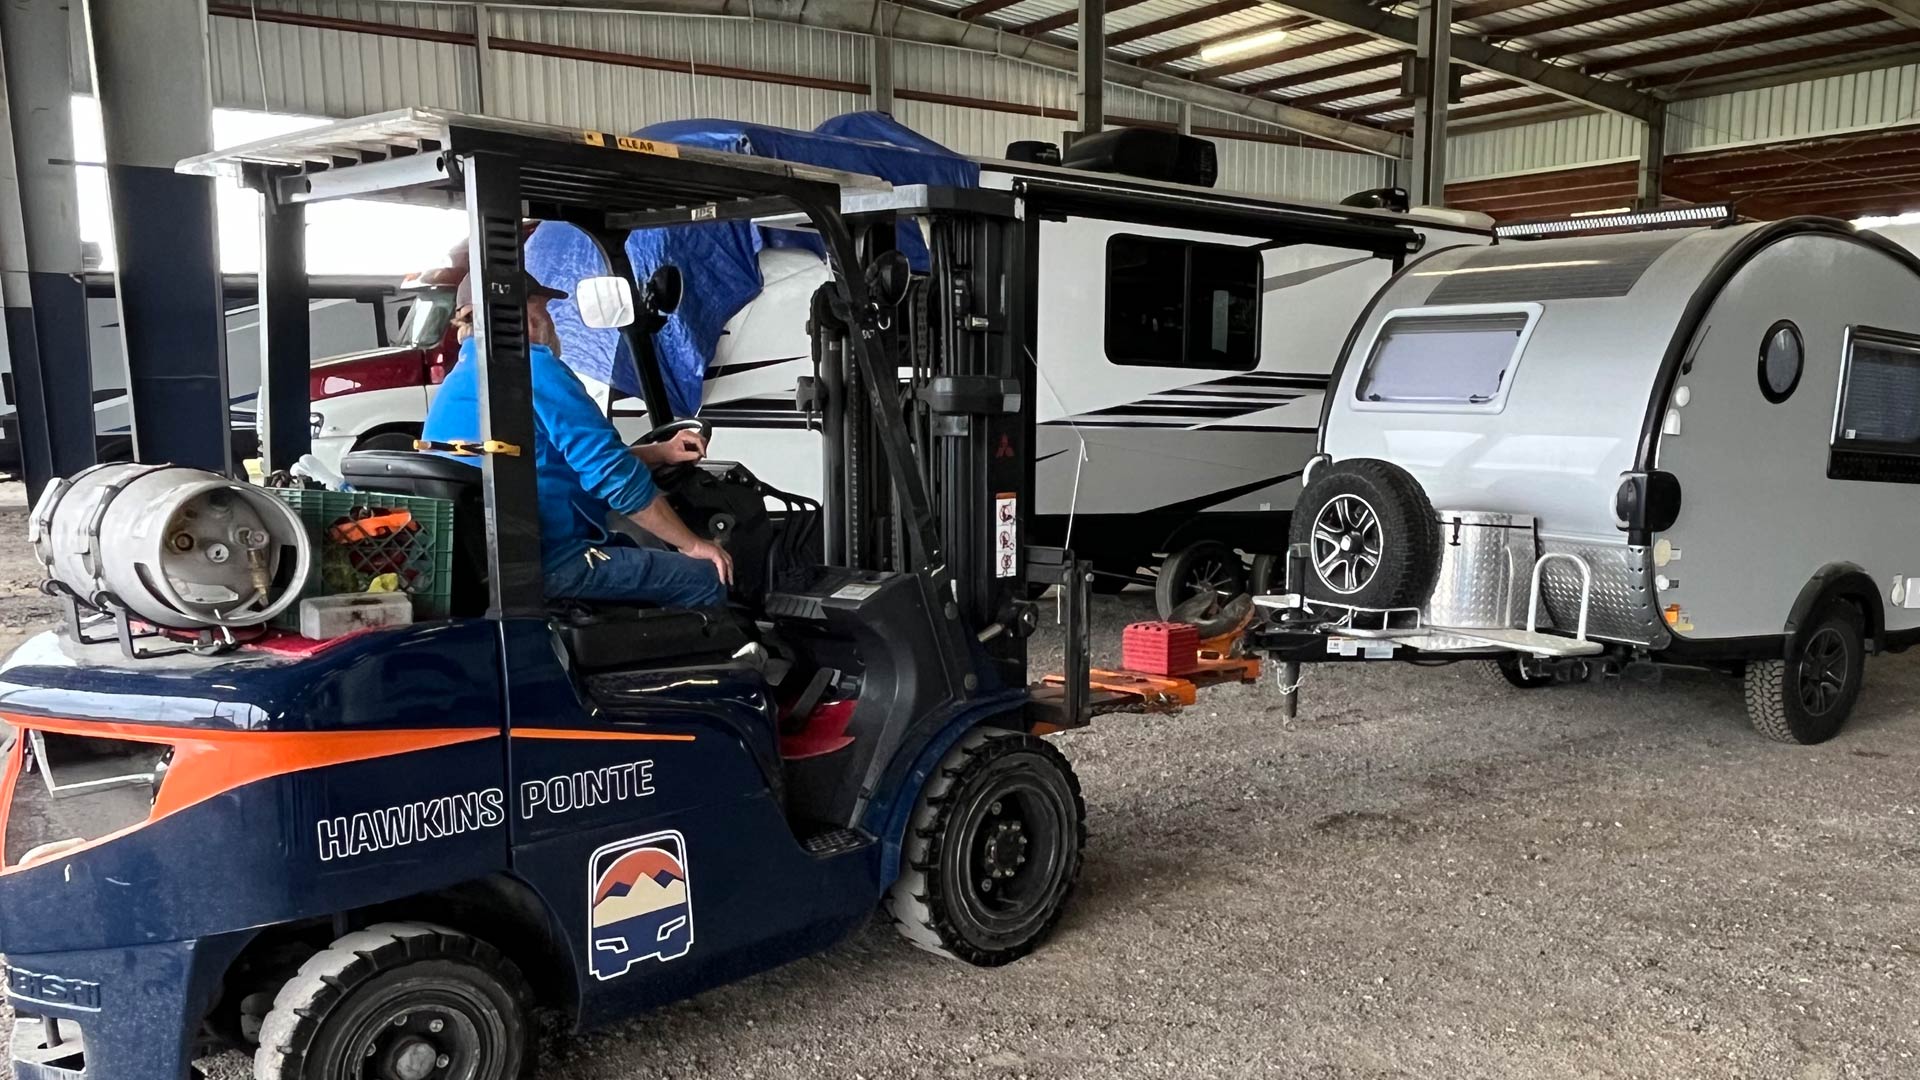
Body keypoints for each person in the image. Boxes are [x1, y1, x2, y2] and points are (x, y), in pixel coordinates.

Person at [422, 268, 732, 608]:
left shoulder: (463, 377)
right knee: (705, 576)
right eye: (544, 308)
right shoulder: (531, 368)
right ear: (525, 315)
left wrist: (661, 452)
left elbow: (568, 458)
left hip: (498, 561)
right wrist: (693, 545)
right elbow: (615, 479)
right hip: (551, 560)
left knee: (633, 545)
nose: (551, 320)